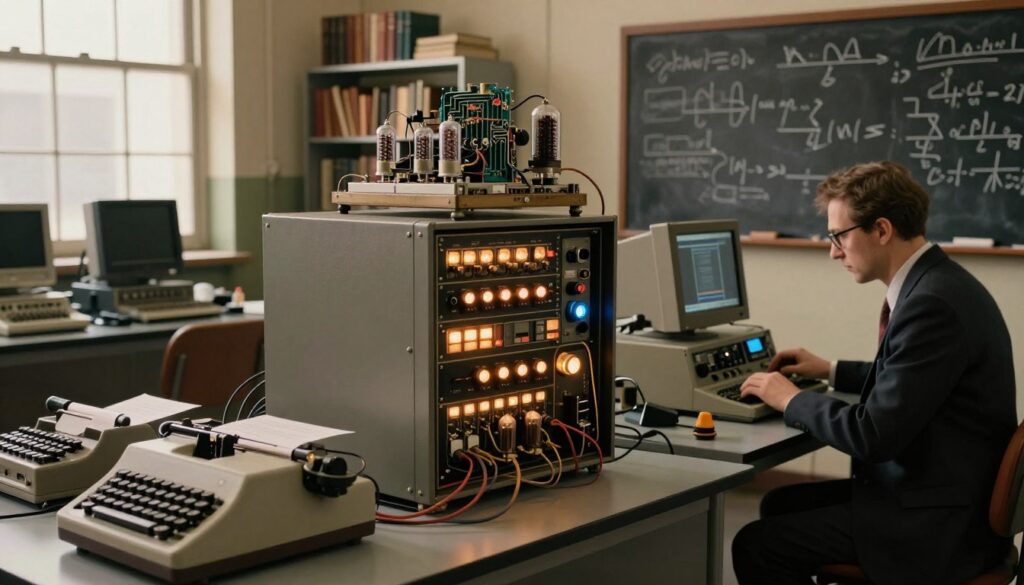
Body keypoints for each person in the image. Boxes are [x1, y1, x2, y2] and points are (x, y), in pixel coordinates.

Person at [731, 161, 1017, 585]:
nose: (833, 251)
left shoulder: (930, 304)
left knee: (756, 544)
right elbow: (917, 379)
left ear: (881, 230)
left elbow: (873, 436)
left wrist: (789, 398)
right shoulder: (940, 282)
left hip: (938, 528)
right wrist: (831, 370)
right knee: (781, 505)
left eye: (839, 236)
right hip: (948, 498)